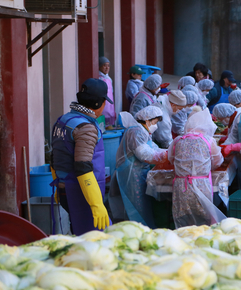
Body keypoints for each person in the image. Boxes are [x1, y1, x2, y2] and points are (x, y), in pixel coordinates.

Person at [51, 79, 112, 235]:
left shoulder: (64, 120)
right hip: (82, 194)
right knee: (96, 241)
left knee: (81, 237)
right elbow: (83, 167)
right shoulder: (85, 128)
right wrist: (97, 204)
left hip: (66, 188)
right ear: (99, 104)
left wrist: (59, 187)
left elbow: (54, 157)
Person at [110, 106, 167, 227]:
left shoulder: (143, 131)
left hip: (138, 172)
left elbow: (153, 149)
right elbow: (145, 155)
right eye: (155, 122)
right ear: (147, 120)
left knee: (142, 205)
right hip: (131, 174)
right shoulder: (136, 132)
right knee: (135, 207)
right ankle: (137, 229)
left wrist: (167, 151)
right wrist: (167, 155)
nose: (155, 126)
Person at [169, 107, 225, 228]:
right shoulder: (208, 141)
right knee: (204, 219)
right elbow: (218, 161)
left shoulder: (177, 140)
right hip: (201, 185)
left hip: (181, 186)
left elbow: (171, 159)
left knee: (182, 219)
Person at [97, 57, 116, 126]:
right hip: (103, 104)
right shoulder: (98, 78)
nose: (107, 68)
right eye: (104, 65)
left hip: (110, 103)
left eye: (108, 66)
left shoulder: (109, 79)